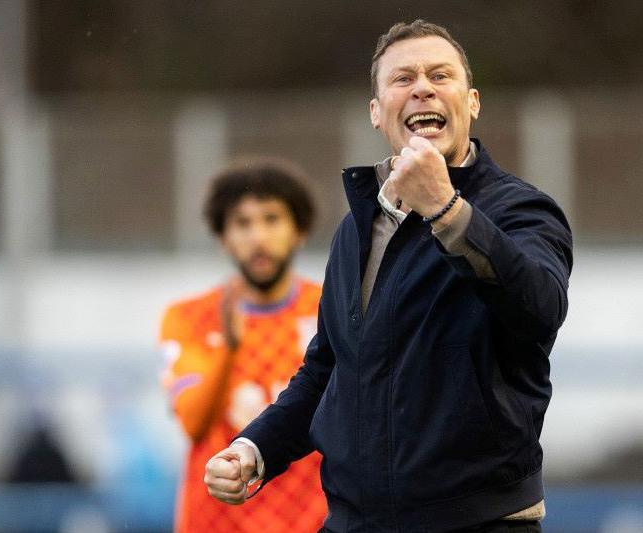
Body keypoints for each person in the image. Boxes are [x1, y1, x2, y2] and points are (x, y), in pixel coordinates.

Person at [203, 19, 573, 533]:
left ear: (472, 102)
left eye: (440, 75)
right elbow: (328, 371)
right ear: (377, 113)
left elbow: (539, 309)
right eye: (403, 79)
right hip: (357, 522)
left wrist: (445, 209)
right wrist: (255, 448)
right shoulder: (355, 231)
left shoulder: (521, 210)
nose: (422, 86)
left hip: (480, 522)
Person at [159, 158, 327, 532]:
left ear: (299, 231)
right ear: (222, 238)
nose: (258, 237)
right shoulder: (189, 317)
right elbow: (192, 422)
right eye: (242, 223)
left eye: (272, 219)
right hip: (217, 522)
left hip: (315, 522)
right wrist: (227, 349)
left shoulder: (332, 310)